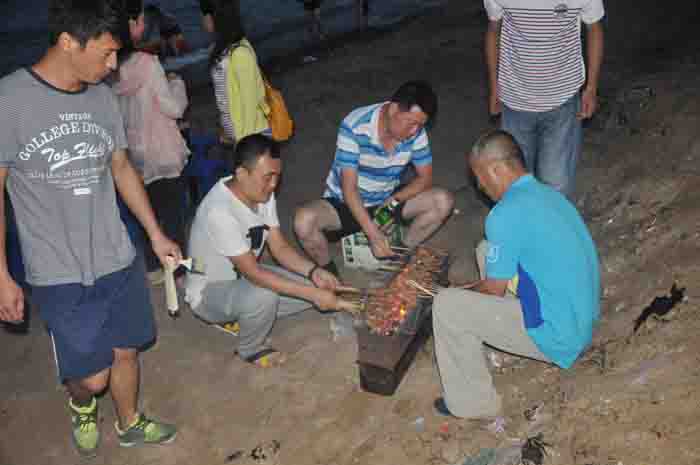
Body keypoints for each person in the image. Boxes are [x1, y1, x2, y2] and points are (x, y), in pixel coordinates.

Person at [0, 0, 182, 457]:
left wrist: (155, 234)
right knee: (93, 377)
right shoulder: (10, 101)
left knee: (127, 349)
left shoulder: (102, 97)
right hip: (57, 268)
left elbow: (120, 167)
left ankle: (129, 422)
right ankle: (81, 403)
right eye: (106, 53)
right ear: (68, 42)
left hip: (116, 253)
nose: (113, 65)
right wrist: (1, 274)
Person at [431, 130, 600, 419]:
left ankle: (473, 404)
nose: (480, 187)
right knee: (486, 250)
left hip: (560, 336)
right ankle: (504, 332)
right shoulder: (548, 194)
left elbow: (492, 290)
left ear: (496, 170)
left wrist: (456, 292)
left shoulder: (504, 214)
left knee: (446, 306)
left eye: (479, 177)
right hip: (580, 318)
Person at [185, 134, 345, 367]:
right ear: (242, 174)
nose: (273, 185)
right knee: (266, 294)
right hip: (210, 293)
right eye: (268, 177)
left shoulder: (261, 194)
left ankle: (249, 312)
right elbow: (254, 274)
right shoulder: (219, 212)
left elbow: (279, 247)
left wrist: (314, 272)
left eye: (277, 176)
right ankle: (249, 348)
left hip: (244, 277)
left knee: (316, 287)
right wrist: (311, 294)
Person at [293, 81, 455, 275]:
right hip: (346, 204)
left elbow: (425, 178)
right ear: (393, 109)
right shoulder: (355, 126)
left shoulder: (416, 133)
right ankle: (328, 272)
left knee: (443, 201)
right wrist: (373, 234)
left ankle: (399, 256)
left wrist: (393, 202)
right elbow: (349, 189)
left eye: (420, 125)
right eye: (411, 123)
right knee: (304, 222)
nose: (414, 131)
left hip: (384, 201)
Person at [484, 0, 605, 198]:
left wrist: (591, 87)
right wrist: (494, 86)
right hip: (515, 100)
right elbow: (493, 29)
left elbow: (594, 28)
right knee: (516, 186)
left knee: (557, 185)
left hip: (563, 101)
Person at [113, 0, 190, 284]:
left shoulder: (110, 69)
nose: (145, 25)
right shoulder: (147, 63)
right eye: (142, 20)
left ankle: (153, 268)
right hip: (163, 150)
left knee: (148, 213)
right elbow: (174, 108)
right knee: (174, 214)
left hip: (136, 154)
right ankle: (178, 272)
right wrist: (177, 83)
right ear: (132, 24)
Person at [208, 0, 270, 144]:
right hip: (243, 132)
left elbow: (248, 101)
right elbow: (228, 96)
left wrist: (244, 142)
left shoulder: (236, 53)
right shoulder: (227, 50)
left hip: (248, 132)